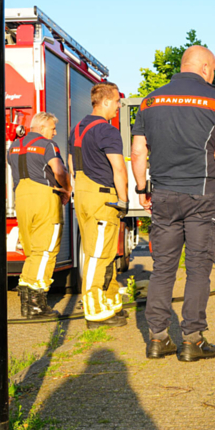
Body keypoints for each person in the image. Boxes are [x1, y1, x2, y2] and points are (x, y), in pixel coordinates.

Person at [131, 46, 215, 361]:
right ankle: (192, 340)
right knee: (198, 269)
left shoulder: (150, 100)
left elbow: (138, 151)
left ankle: (158, 339)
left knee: (162, 268)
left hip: (163, 194)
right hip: (204, 195)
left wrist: (141, 188)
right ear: (205, 68)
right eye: (213, 70)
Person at [69, 81, 129, 329]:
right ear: (105, 101)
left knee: (103, 252)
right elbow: (118, 168)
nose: (118, 106)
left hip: (83, 194)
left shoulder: (79, 127)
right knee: (97, 254)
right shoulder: (107, 130)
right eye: (116, 102)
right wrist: (124, 200)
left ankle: (109, 302)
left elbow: (72, 163)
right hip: (102, 196)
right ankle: (94, 310)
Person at [7, 111, 70, 318]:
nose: (54, 132)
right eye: (52, 128)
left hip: (22, 198)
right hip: (44, 197)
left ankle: (26, 301)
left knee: (32, 251)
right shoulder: (47, 145)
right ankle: (36, 303)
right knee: (46, 250)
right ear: (42, 128)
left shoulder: (14, 146)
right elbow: (58, 170)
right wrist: (67, 189)